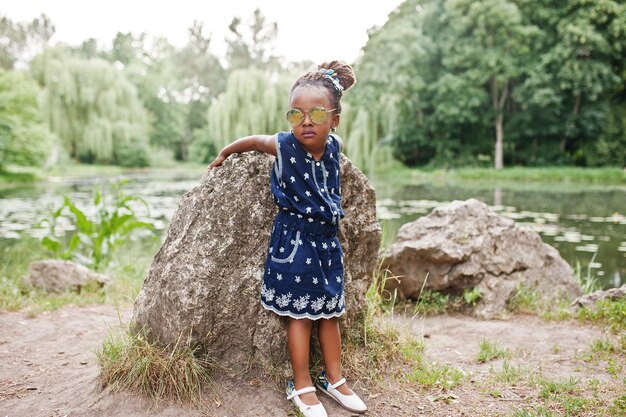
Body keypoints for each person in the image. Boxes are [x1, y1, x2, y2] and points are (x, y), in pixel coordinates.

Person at [208, 61, 367, 417]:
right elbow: (252, 140)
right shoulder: (284, 146)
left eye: (316, 113)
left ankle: (335, 379)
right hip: (295, 244)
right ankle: (301, 383)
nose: (306, 121)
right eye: (296, 115)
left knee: (330, 314)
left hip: (327, 244)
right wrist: (225, 152)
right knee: (301, 316)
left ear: (335, 119)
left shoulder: (335, 147)